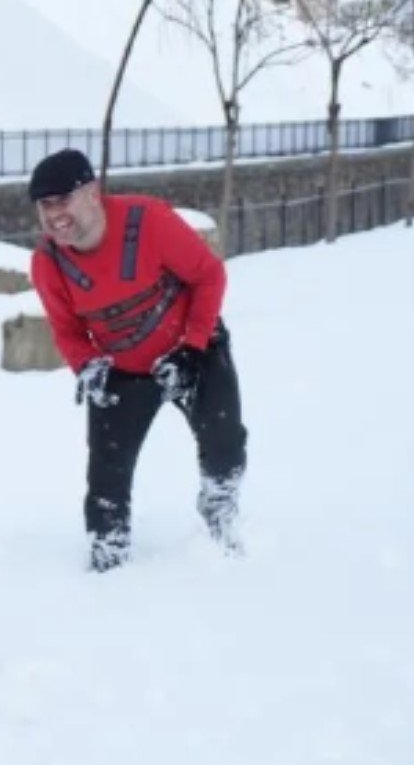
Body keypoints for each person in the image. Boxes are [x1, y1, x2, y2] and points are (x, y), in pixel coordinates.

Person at [26, 148, 248, 570]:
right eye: (44, 205)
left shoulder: (148, 221)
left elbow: (208, 276)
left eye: (62, 200)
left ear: (92, 193)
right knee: (106, 480)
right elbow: (67, 329)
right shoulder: (48, 265)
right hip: (122, 373)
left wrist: (192, 346)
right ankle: (108, 559)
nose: (54, 214)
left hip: (192, 351)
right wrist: (88, 365)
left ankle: (220, 513)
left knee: (225, 445)